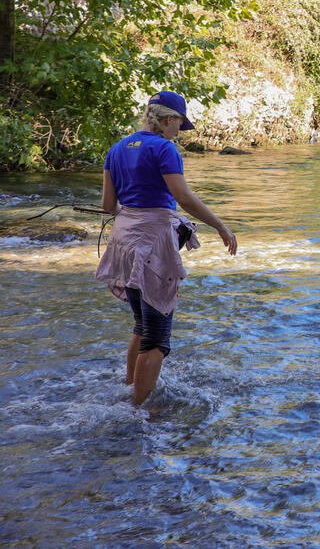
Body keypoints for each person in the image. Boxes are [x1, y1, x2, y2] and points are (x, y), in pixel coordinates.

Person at [96, 91, 238, 406]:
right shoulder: (164, 149)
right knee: (157, 337)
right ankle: (139, 412)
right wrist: (221, 226)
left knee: (141, 324)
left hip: (123, 240)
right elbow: (183, 197)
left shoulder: (116, 149)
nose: (179, 132)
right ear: (168, 119)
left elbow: (108, 206)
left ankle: (130, 390)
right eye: (179, 124)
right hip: (152, 245)